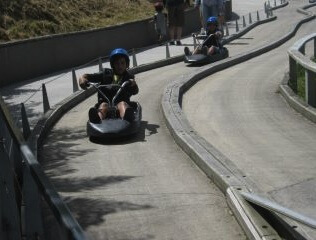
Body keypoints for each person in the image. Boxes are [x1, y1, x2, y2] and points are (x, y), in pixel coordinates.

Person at [79, 48, 139, 123]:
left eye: (122, 63)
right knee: (103, 105)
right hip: (106, 103)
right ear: (112, 64)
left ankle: (126, 118)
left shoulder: (129, 78)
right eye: (117, 63)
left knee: (122, 104)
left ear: (126, 64)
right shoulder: (105, 74)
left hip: (121, 103)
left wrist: (133, 84)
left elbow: (135, 91)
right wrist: (83, 79)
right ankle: (97, 119)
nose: (120, 66)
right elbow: (87, 76)